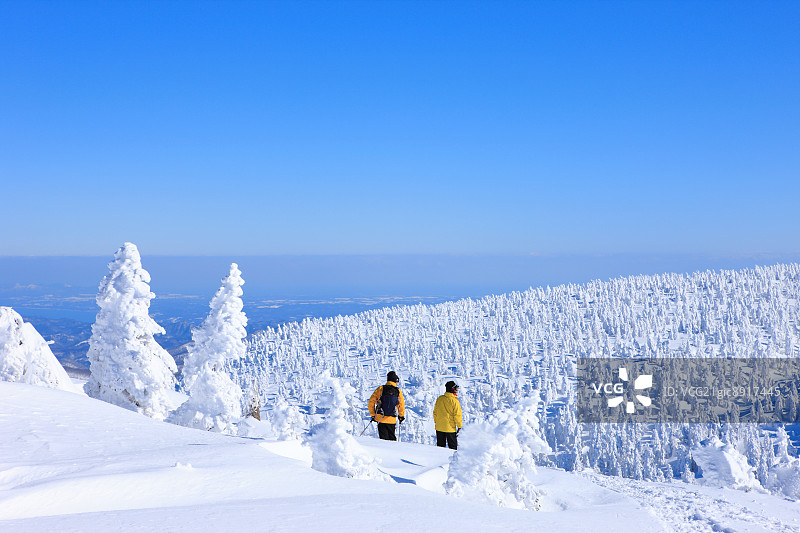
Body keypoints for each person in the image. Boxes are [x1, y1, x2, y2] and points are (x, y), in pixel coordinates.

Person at [368, 371, 406, 441]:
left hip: (380, 418)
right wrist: (401, 416)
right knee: (392, 441)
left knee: (383, 441)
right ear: (395, 381)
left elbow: (371, 402)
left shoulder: (380, 389)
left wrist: (373, 415)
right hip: (392, 420)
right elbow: (401, 405)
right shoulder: (398, 391)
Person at [433, 380, 462, 449]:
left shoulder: (440, 399)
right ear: (452, 389)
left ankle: (439, 459)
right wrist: (460, 426)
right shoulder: (455, 401)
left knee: (440, 448)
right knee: (452, 449)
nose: (457, 391)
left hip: (439, 428)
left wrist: (437, 422)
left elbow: (435, 413)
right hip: (450, 429)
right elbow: (457, 415)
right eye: (456, 389)